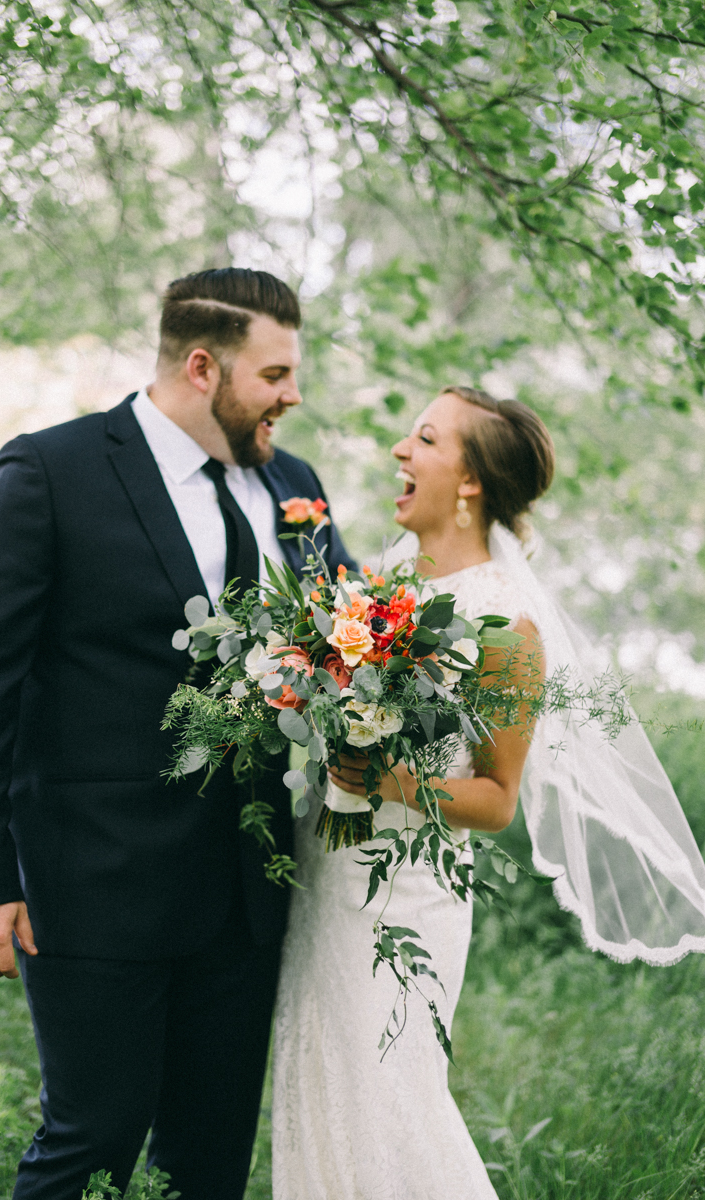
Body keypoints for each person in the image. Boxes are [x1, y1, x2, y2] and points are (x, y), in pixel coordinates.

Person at [0, 268, 354, 1200]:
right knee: (94, 1140)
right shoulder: (49, 471)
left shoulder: (296, 486)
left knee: (211, 1157)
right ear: (203, 366)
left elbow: (349, 643)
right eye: (274, 374)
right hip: (95, 885)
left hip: (249, 889)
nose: (293, 395)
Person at [271, 385, 705, 1199]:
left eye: (425, 439)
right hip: (330, 884)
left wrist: (384, 777)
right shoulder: (382, 583)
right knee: (324, 1091)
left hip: (404, 898)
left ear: (470, 481)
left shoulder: (507, 625)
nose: (401, 452)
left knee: (392, 1106)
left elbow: (498, 798)